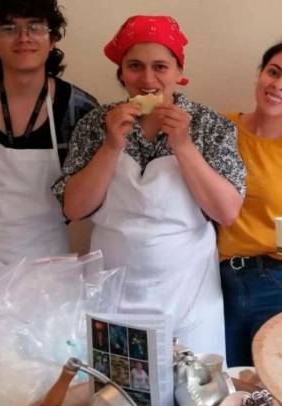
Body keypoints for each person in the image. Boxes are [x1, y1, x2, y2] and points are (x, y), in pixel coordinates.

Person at [54, 15, 243, 359]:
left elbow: (227, 212)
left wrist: (184, 146)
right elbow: (74, 208)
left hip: (189, 299)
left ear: (178, 70)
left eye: (160, 66)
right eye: (135, 66)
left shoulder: (209, 125)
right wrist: (111, 145)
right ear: (121, 72)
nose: (147, 79)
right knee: (120, 404)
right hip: (113, 297)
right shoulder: (96, 123)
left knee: (196, 405)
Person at [0, 0, 97, 305]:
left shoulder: (81, 110)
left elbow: (88, 194)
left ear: (52, 40)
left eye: (35, 27)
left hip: (50, 274)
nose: (23, 37)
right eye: (9, 28)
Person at [217, 41, 282, 367]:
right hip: (217, 282)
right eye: (273, 72)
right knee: (229, 392)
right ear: (259, 74)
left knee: (281, 390)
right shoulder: (221, 127)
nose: (278, 85)